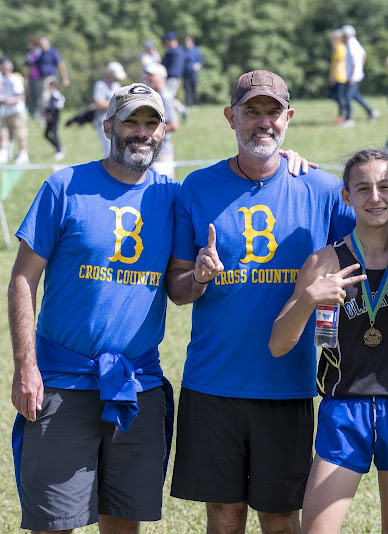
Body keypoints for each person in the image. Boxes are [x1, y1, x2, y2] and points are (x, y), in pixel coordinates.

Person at [165, 70, 356, 534]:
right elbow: (176, 287)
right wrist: (199, 277)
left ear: (288, 118)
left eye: (273, 112)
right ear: (231, 117)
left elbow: (383, 227)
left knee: (279, 517)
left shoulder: (320, 188)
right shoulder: (197, 187)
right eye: (252, 111)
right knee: (223, 514)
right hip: (213, 382)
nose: (263, 122)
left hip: (286, 385)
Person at [9, 82, 178, 533]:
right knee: (53, 523)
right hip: (60, 383)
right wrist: (25, 366)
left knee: (122, 522)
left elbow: (238, 185)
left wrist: (287, 162)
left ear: (163, 131)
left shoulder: (174, 197)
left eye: (151, 123)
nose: (141, 132)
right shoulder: (64, 186)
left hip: (136, 383)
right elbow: (23, 279)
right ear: (108, 127)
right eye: (130, 121)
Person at [269, 149, 388, 534]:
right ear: (346, 196)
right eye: (363, 188)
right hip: (344, 407)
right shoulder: (324, 262)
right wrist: (308, 299)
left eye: (385, 187)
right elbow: (278, 344)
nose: (375, 197)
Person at [144, 63, 180, 179]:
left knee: (164, 187)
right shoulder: (155, 95)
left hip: (163, 152)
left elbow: (174, 125)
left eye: (151, 75)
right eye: (147, 75)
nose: (148, 78)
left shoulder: (165, 96)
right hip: (151, 150)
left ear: (161, 77)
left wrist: (150, 133)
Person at [341, 24, 378, 128]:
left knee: (348, 96)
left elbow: (353, 62)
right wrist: (360, 68)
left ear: (347, 35)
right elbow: (363, 55)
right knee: (355, 96)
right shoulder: (355, 43)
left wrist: (353, 75)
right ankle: (371, 112)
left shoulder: (350, 44)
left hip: (353, 77)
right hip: (356, 75)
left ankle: (349, 119)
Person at [92, 62, 128, 157]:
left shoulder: (117, 85)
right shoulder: (100, 85)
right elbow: (98, 104)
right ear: (110, 74)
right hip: (104, 122)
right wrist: (117, 103)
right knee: (109, 151)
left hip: (117, 121)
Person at [0, 58, 29, 165]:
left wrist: (9, 101)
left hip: (17, 112)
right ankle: (3, 154)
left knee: (20, 133)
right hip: (6, 112)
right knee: (4, 134)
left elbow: (21, 96)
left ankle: (23, 154)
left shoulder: (15, 79)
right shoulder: (3, 80)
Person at [35, 37, 69, 117]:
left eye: (43, 45)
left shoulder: (53, 52)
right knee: (42, 99)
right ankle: (46, 116)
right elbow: (34, 66)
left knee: (46, 98)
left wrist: (65, 77)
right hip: (41, 79)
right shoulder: (40, 54)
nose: (41, 46)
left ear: (48, 44)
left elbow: (60, 64)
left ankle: (47, 116)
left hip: (50, 79)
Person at [328, 29, 347, 123]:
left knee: (338, 97)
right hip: (338, 76)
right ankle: (342, 111)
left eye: (331, 38)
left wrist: (333, 77)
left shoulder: (339, 48)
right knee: (335, 96)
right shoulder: (338, 48)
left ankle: (342, 114)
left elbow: (338, 64)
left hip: (339, 76)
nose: (330, 40)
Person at [43, 78, 65, 161]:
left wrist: (50, 114)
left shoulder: (56, 95)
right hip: (49, 118)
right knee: (46, 134)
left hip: (54, 118)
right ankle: (58, 147)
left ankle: (59, 149)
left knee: (54, 133)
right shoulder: (52, 95)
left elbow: (58, 106)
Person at [161, 32, 185, 98]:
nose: (166, 43)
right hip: (177, 76)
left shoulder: (171, 52)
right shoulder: (181, 50)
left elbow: (163, 64)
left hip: (170, 76)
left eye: (166, 41)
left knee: (167, 96)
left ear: (169, 40)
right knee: (170, 95)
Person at [182, 36, 203, 108]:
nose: (186, 43)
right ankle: (189, 105)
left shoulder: (196, 50)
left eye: (188, 41)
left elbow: (200, 61)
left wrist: (198, 66)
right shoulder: (183, 51)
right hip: (185, 73)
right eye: (185, 42)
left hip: (193, 73)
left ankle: (195, 104)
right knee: (187, 90)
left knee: (194, 89)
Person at [24, 35, 41, 121]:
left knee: (39, 96)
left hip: (39, 77)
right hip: (31, 77)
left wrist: (26, 77)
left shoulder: (39, 53)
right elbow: (28, 66)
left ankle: (39, 113)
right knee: (32, 96)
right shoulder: (29, 54)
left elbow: (34, 66)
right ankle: (34, 113)